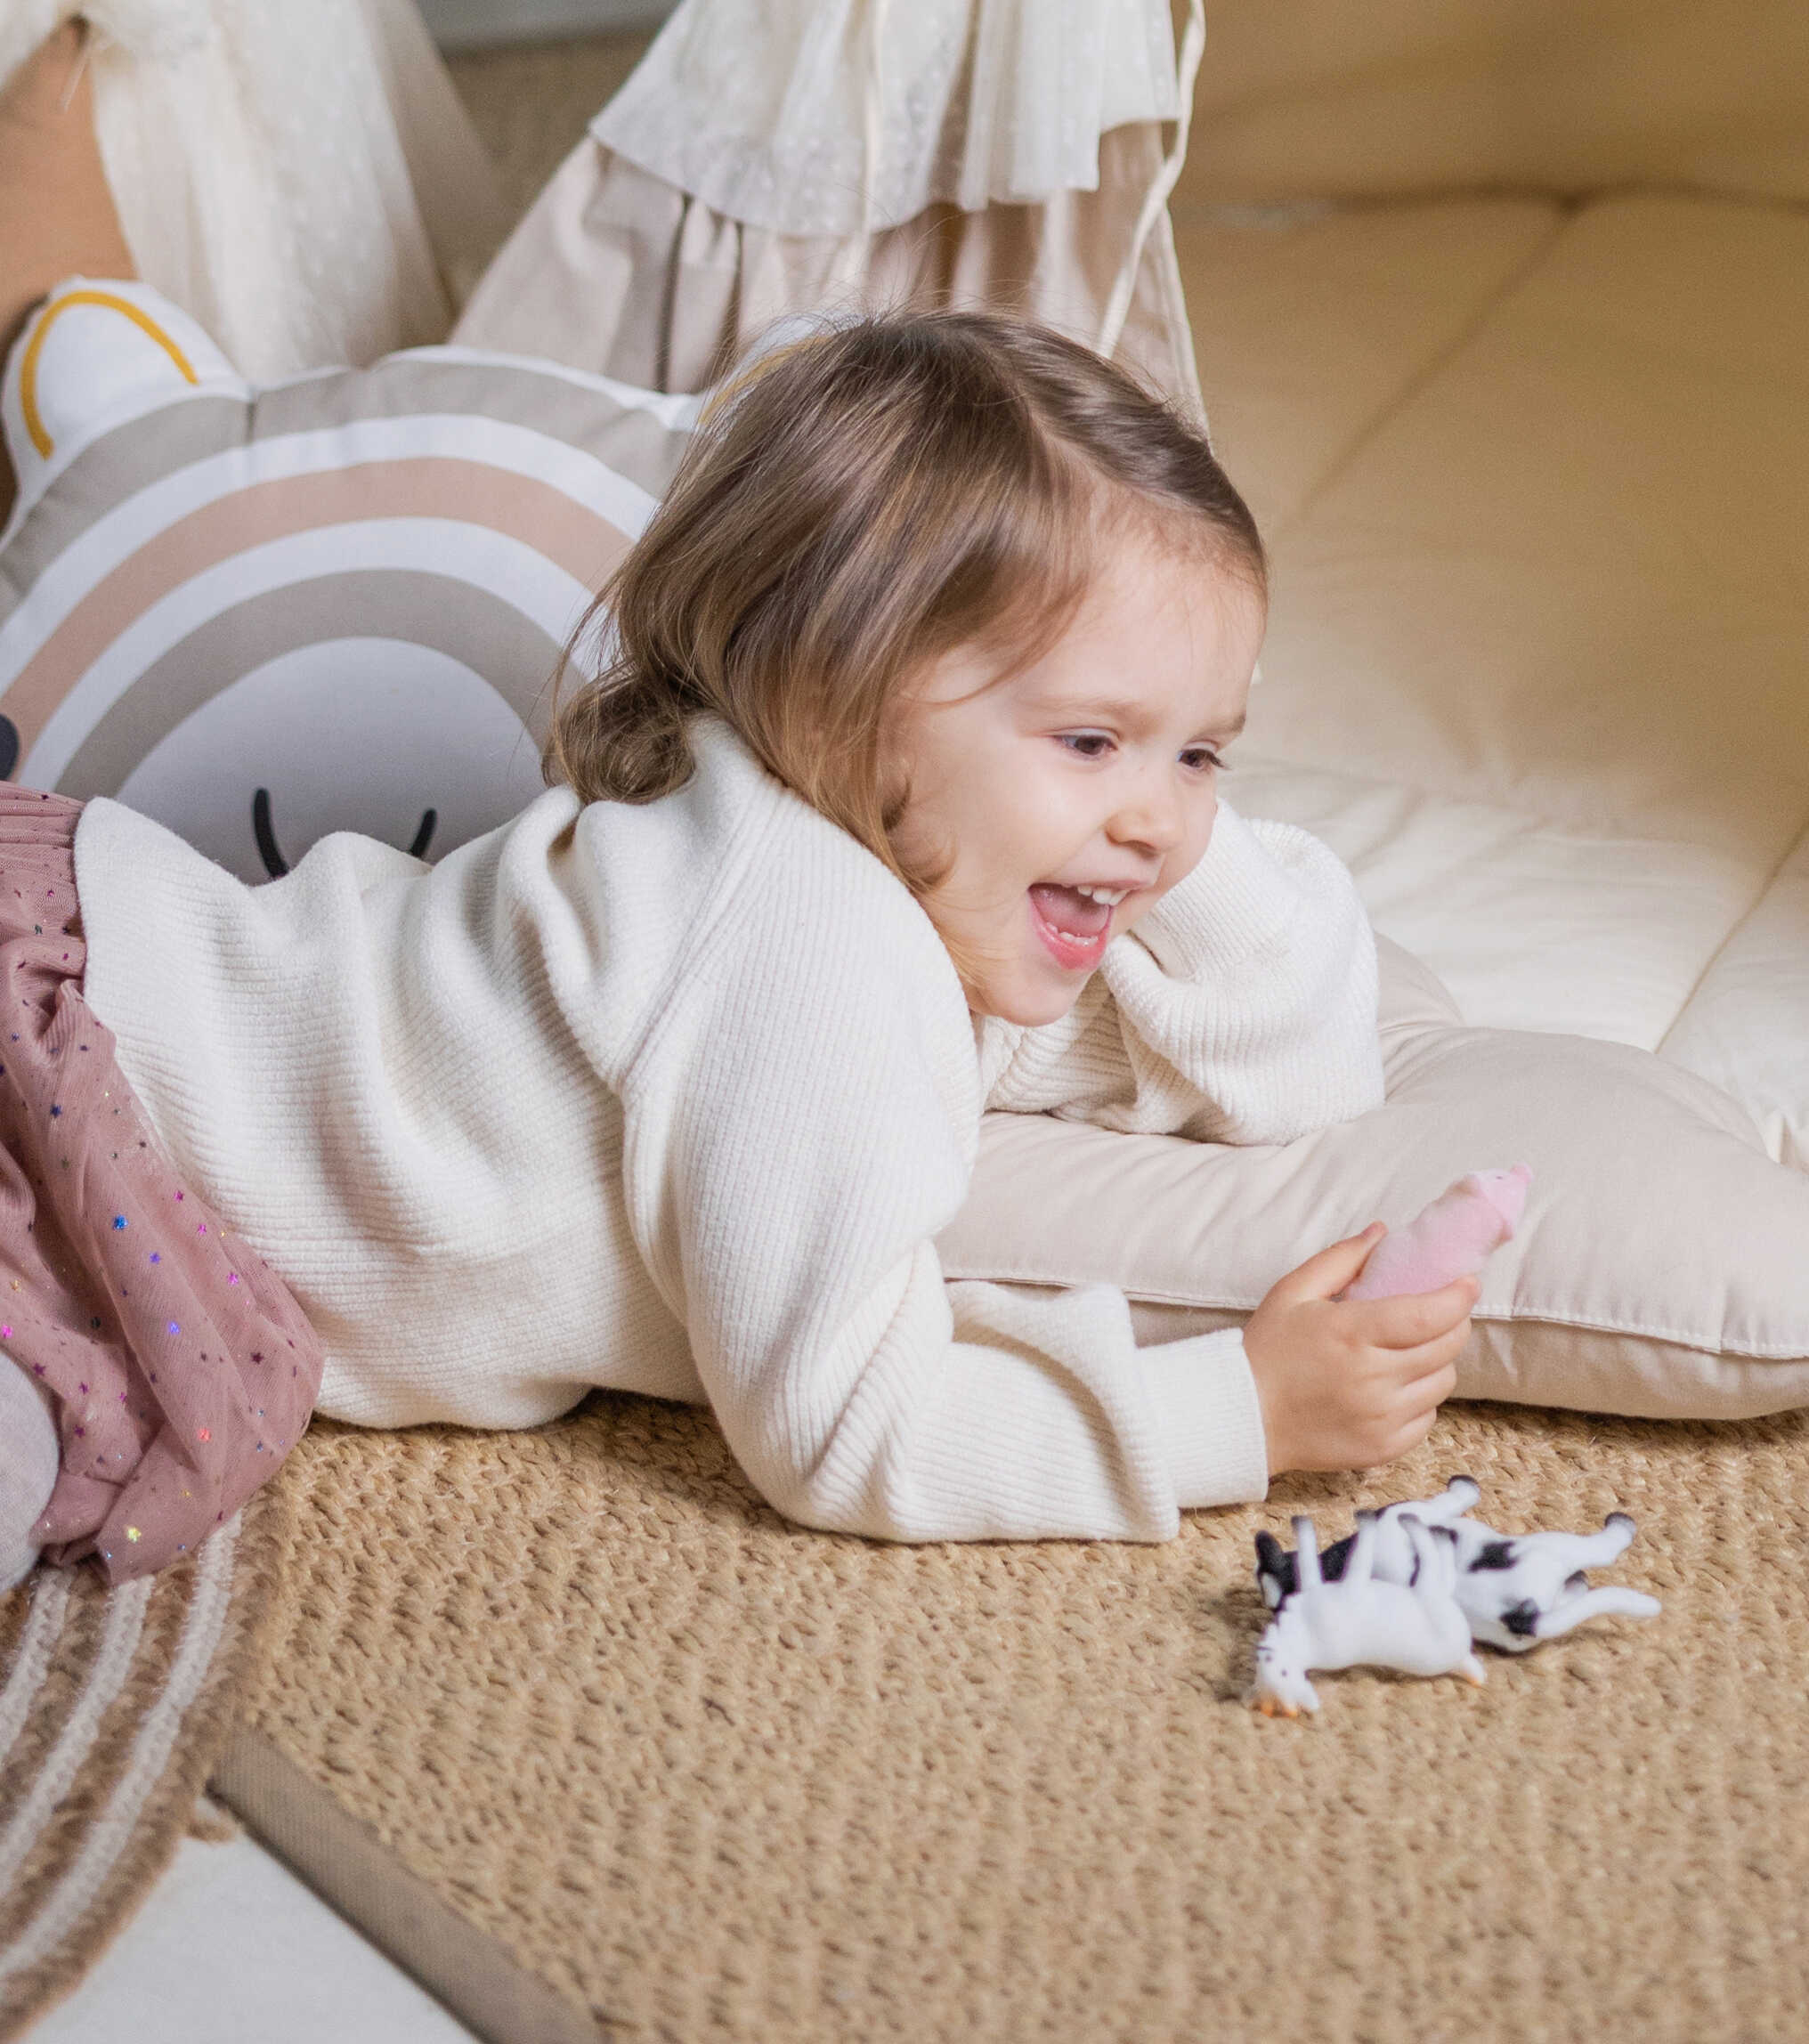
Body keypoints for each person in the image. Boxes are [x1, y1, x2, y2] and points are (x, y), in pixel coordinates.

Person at [0, 312, 1474, 1586]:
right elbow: (846, 1429)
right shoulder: (812, 946)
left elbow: (1305, 1068)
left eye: (1210, 754)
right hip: (74, 1099)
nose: (1160, 824)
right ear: (845, 699)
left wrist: (1157, 793)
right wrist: (1242, 1413)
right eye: (1090, 737)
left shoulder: (896, 865)